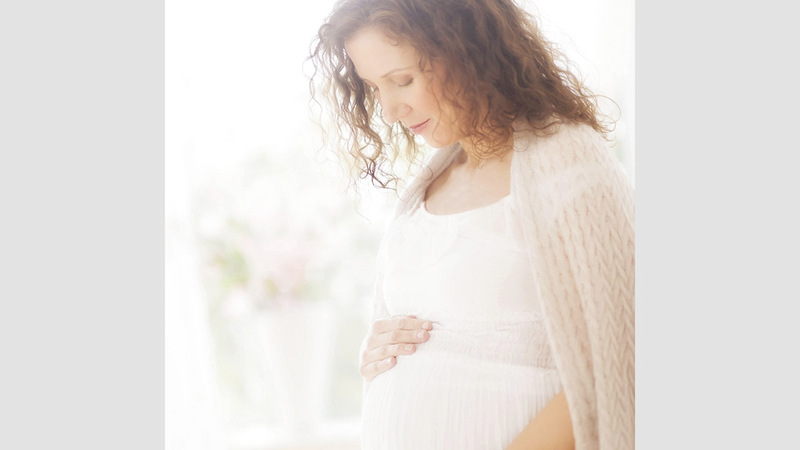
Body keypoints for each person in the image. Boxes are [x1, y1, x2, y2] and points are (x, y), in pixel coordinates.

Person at [309, 0, 634, 449]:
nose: (389, 110)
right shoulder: (428, 185)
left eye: (402, 80)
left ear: (467, 50)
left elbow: (620, 357)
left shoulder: (568, 165)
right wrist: (381, 359)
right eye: (374, 87)